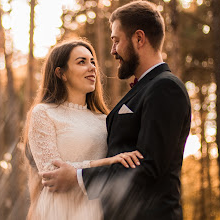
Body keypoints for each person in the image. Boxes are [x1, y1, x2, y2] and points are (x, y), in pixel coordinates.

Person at [41, 1, 192, 220]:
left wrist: (78, 177)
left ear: (139, 39)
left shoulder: (165, 88)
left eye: (116, 41)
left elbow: (148, 167)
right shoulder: (144, 88)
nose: (113, 51)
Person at [22, 39, 143, 220]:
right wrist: (106, 162)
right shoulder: (44, 113)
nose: (92, 67)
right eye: (82, 62)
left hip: (98, 209)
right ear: (61, 73)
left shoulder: (105, 119)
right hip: (58, 210)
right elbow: (51, 173)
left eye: (92, 61)